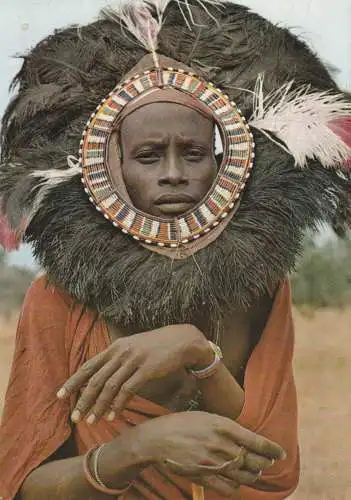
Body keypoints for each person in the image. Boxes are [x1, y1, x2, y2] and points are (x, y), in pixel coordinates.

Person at [0, 1, 350, 499]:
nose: (173, 173)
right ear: (111, 167)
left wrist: (195, 352)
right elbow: (23, 487)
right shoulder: (58, 302)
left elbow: (275, 471)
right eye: (147, 155)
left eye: (193, 152)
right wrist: (140, 447)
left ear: (224, 161)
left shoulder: (260, 289)